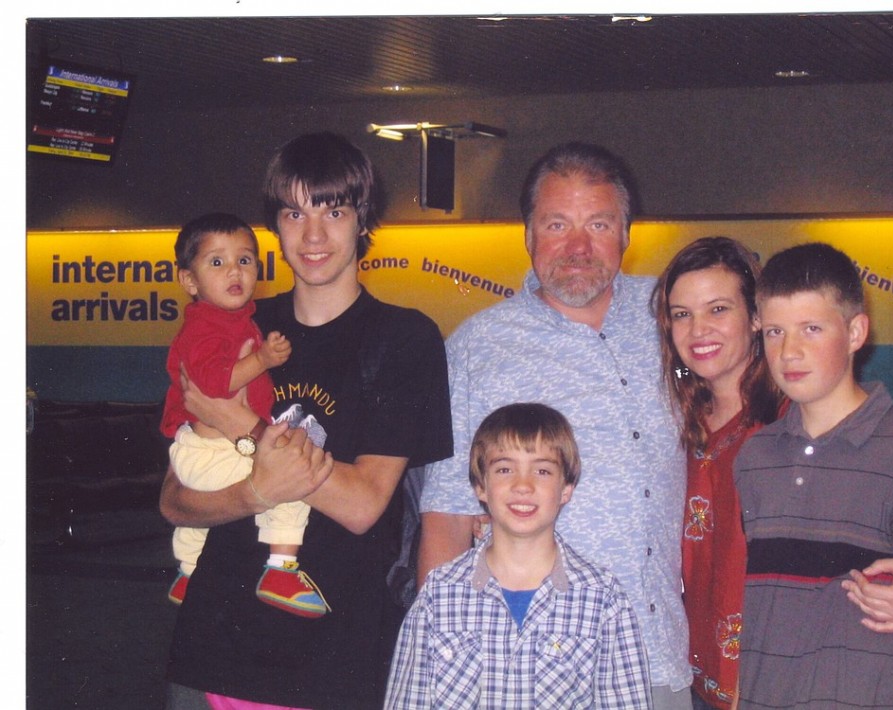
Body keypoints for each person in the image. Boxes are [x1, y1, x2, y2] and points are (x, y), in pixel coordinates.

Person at [160, 132, 453, 709]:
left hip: (334, 658)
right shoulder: (232, 326)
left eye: (334, 211)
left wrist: (243, 425)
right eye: (295, 213)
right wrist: (256, 490)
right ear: (275, 225)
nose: (313, 235)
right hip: (215, 645)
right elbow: (173, 498)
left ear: (362, 221)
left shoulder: (403, 339)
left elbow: (362, 504)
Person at [418, 142, 694, 708]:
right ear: (527, 235)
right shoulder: (477, 348)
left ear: (625, 233)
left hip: (658, 660)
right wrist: (444, 671)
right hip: (527, 666)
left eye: (598, 223)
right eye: (556, 224)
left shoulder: (672, 318)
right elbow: (446, 520)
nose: (578, 246)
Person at [651, 236, 893, 710]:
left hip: (790, 682)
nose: (698, 329)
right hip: (695, 678)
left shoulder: (801, 418)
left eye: (718, 309)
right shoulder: (672, 423)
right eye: (681, 314)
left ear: (756, 318)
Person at [733, 242, 893, 708]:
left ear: (855, 332)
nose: (789, 351)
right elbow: (753, 611)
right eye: (774, 331)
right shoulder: (755, 457)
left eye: (811, 328)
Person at [386, 402, 653, 708]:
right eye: (504, 469)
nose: (523, 485)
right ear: (480, 486)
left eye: (542, 470)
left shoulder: (603, 598)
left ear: (566, 488)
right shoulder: (439, 594)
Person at [160, 212, 329, 618]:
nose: (234, 270)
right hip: (211, 450)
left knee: (200, 516)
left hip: (206, 450)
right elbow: (215, 385)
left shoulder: (234, 320)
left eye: (245, 260)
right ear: (189, 281)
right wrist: (263, 358)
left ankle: (187, 573)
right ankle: (281, 570)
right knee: (290, 487)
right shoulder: (205, 326)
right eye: (216, 262)